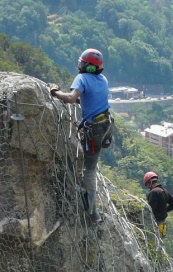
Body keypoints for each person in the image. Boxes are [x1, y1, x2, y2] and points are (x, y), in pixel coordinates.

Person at [51, 49, 112, 224]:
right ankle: (89, 199)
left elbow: (71, 98)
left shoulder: (82, 78)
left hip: (94, 129)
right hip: (106, 125)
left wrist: (55, 92)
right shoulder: (103, 79)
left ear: (89, 67)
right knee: (91, 162)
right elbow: (89, 99)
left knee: (90, 169)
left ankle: (92, 212)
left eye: (82, 64)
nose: (80, 66)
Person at [144, 172, 173, 238]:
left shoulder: (154, 192)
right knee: (159, 243)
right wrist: (164, 210)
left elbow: (150, 209)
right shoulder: (165, 191)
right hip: (163, 224)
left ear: (150, 182)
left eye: (148, 184)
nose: (148, 187)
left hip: (155, 224)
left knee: (153, 242)